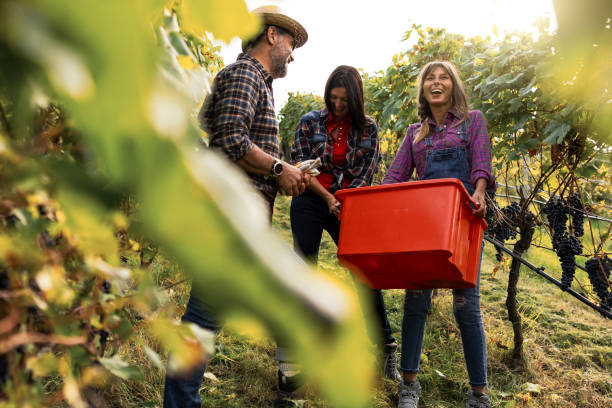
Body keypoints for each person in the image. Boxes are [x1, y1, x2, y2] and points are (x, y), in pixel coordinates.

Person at [162, 6, 310, 408]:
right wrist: (279, 168)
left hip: (237, 218)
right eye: (291, 43)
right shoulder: (246, 74)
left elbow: (213, 127)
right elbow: (229, 137)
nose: (293, 54)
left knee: (204, 323)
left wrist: (283, 171)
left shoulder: (251, 79)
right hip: (231, 221)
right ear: (272, 36)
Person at [383, 61, 495, 408]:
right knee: (416, 299)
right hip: (426, 226)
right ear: (423, 89)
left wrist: (479, 192)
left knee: (466, 304)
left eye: (442, 77)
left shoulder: (471, 120)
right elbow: (394, 178)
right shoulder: (415, 133)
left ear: (452, 85)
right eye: (429, 78)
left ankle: (479, 393)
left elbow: (481, 162)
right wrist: (374, 202)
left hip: (463, 221)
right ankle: (409, 386)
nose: (436, 82)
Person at [289, 65, 401, 382]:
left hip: (349, 204)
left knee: (363, 270)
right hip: (312, 197)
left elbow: (365, 175)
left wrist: (344, 201)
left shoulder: (368, 129)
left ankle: (385, 348)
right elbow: (301, 167)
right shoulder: (309, 122)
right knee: (304, 268)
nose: (337, 105)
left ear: (355, 99)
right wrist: (328, 198)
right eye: (333, 98)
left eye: (344, 100)